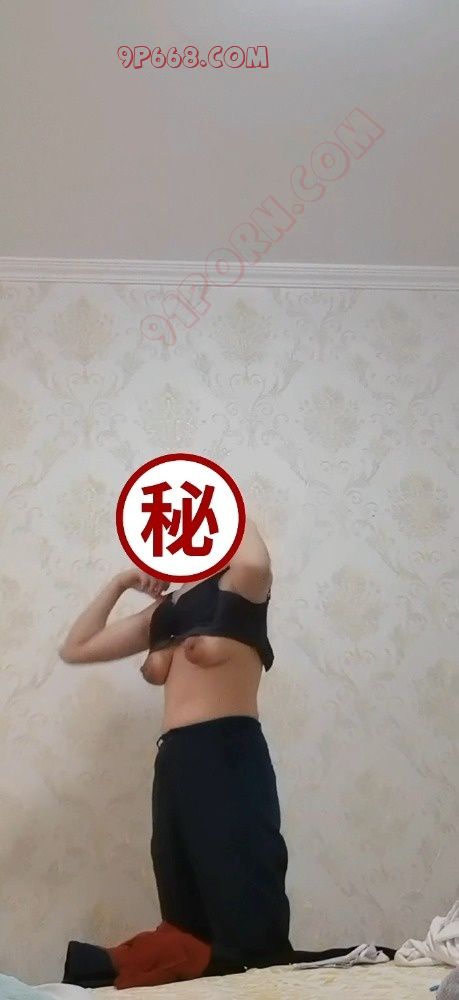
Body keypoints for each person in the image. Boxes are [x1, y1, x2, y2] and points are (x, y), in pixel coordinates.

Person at [59, 517, 293, 973]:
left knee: (247, 913)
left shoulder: (239, 584)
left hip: (228, 753)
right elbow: (78, 647)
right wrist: (122, 581)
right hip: (174, 761)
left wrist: (213, 496)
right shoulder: (167, 610)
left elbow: (254, 560)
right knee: (186, 926)